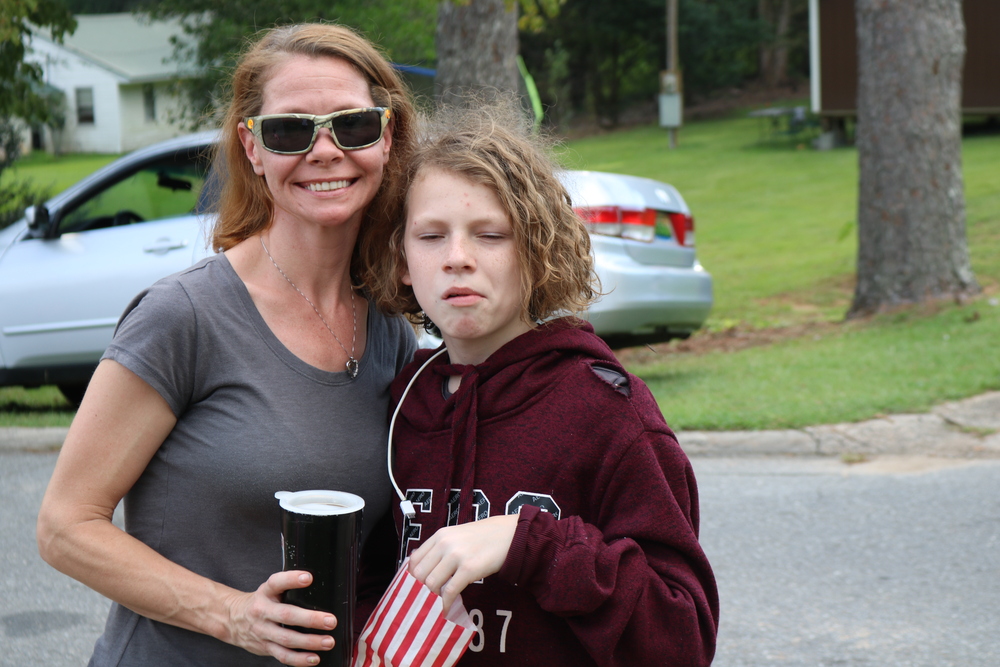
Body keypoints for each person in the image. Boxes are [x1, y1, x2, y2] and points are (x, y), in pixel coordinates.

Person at [36, 24, 417, 667]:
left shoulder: (389, 330)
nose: (326, 151)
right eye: (291, 131)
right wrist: (234, 616)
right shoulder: (184, 317)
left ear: (386, 138)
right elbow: (65, 527)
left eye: (352, 125)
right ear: (252, 147)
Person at [364, 103, 719, 666]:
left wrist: (529, 544)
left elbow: (682, 638)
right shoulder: (406, 403)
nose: (457, 259)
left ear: (536, 250)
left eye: (490, 235)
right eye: (431, 236)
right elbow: (372, 581)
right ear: (402, 259)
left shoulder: (605, 410)